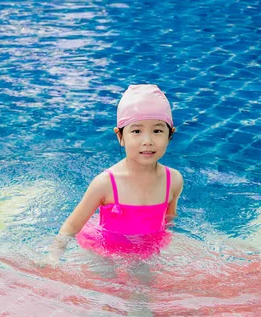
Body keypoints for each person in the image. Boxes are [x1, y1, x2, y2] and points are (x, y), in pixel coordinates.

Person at [50, 84, 184, 261]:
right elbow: (72, 225)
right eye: (136, 131)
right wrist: (52, 257)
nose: (147, 141)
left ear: (170, 135)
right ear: (120, 136)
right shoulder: (105, 183)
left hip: (143, 250)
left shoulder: (173, 180)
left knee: (145, 285)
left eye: (157, 131)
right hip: (104, 250)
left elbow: (168, 218)